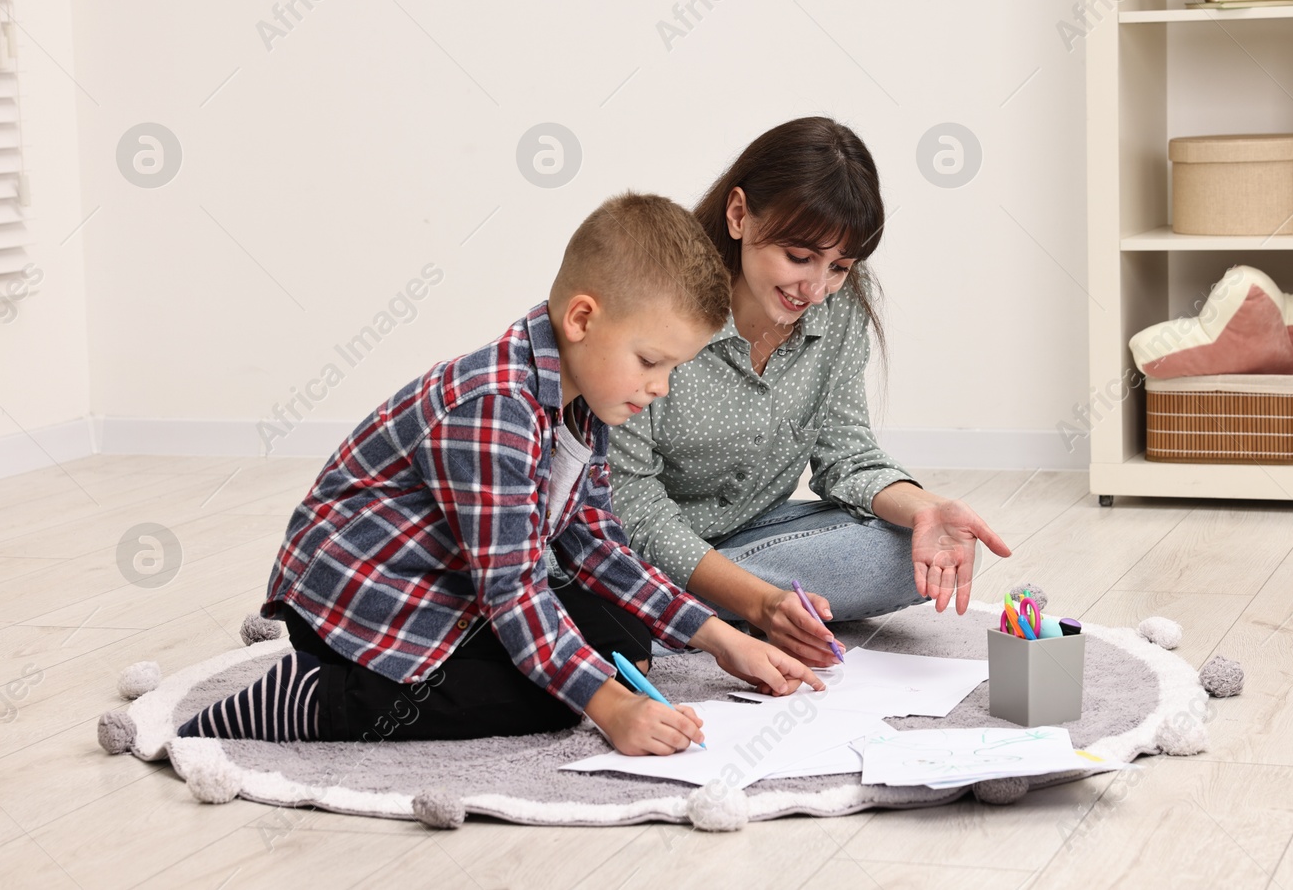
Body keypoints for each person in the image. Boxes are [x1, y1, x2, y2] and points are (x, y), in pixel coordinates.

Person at [177, 192, 821, 755]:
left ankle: (565, 678)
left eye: (673, 369)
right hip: (364, 601)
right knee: (559, 698)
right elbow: (512, 592)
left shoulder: (586, 400)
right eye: (652, 361)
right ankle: (322, 697)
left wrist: (718, 639)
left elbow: (597, 544)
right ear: (582, 319)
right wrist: (608, 709)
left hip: (452, 582)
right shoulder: (495, 407)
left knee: (621, 645)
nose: (659, 387)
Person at [609, 117, 1012, 669]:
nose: (816, 288)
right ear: (738, 215)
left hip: (747, 536)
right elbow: (631, 507)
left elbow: (846, 454)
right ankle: (707, 601)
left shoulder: (839, 308)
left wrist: (926, 509)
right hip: (631, 543)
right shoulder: (654, 309)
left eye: (840, 266)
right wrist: (761, 597)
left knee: (914, 553)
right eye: (799, 257)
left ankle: (680, 606)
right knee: (619, 567)